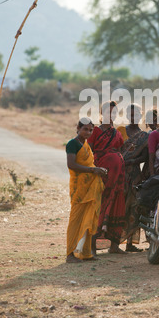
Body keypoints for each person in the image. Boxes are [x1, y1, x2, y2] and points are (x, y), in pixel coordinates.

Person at [65, 118, 107, 263]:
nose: (88, 132)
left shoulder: (86, 144)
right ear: (78, 128)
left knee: (88, 217)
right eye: (85, 129)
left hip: (89, 187)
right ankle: (70, 254)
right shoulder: (72, 144)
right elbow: (71, 165)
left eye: (90, 130)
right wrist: (93, 170)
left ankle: (85, 252)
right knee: (76, 219)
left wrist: (97, 171)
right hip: (78, 188)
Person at [88, 101, 126, 254]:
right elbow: (89, 151)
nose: (111, 115)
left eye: (114, 112)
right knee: (99, 207)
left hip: (118, 179)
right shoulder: (95, 131)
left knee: (117, 205)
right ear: (102, 113)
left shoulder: (117, 133)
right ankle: (91, 247)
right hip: (101, 175)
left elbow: (120, 149)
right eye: (108, 112)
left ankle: (115, 245)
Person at [118, 104, 149, 252]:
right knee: (120, 206)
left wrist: (132, 161)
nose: (133, 117)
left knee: (134, 207)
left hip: (135, 174)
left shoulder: (144, 135)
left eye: (136, 114)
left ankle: (130, 243)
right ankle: (114, 242)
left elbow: (145, 156)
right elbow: (115, 150)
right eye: (130, 114)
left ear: (140, 116)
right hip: (120, 173)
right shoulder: (120, 131)